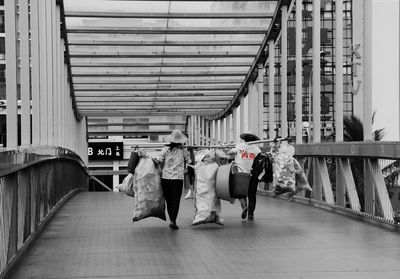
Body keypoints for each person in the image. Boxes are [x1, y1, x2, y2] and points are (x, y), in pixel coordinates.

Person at [154, 130, 191, 230]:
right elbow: (190, 161)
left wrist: (150, 159)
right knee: (176, 200)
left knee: (169, 200)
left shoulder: (165, 149)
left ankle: (172, 219)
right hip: (178, 179)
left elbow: (158, 161)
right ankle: (173, 220)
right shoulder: (183, 150)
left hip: (166, 178)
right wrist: (190, 150)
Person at [228, 131, 261, 221]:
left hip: (241, 175)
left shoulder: (239, 146)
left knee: (241, 193)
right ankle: (251, 214)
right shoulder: (257, 150)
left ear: (244, 139)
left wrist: (232, 149)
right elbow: (260, 161)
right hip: (253, 175)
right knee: (252, 195)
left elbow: (229, 153)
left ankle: (244, 207)